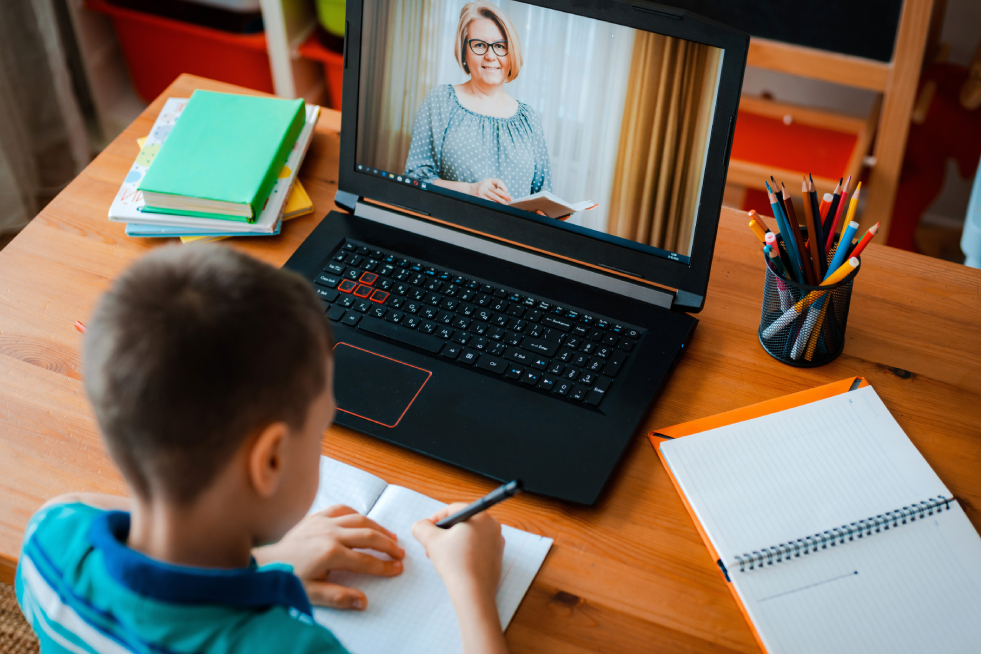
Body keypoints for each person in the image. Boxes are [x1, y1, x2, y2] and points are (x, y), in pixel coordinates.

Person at [15, 245, 509, 654]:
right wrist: (474, 588)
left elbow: (84, 505)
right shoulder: (292, 647)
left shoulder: (49, 541)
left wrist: (268, 557)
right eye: (320, 431)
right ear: (269, 460)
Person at [404, 1, 552, 205]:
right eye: (480, 45)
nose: (490, 56)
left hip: (510, 236)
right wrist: (470, 190)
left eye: (500, 46)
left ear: (512, 54)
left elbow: (543, 194)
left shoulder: (529, 119)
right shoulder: (440, 101)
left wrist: (549, 213)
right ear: (464, 51)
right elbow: (414, 180)